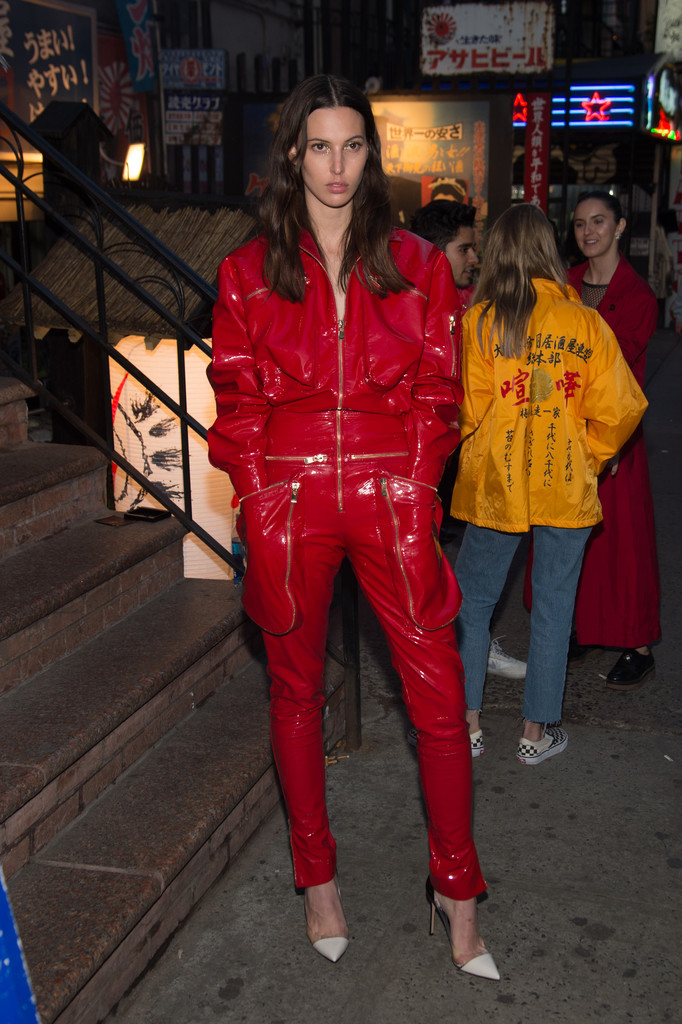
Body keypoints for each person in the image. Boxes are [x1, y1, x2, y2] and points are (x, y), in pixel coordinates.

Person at [207, 74, 498, 979]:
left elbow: (441, 391)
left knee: (441, 704)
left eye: (354, 146)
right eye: (320, 146)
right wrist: (259, 496)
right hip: (289, 498)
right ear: (294, 153)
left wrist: (414, 485)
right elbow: (237, 400)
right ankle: (317, 879)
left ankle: (458, 890)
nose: (337, 166)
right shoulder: (247, 271)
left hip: (390, 494)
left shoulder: (417, 263)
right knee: (296, 695)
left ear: (372, 155)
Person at [451, 204, 647, 764]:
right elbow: (621, 407)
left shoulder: (481, 321)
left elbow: (465, 412)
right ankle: (536, 732)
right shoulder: (585, 321)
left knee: (474, 601)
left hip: (497, 482)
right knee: (556, 604)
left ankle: (468, 723)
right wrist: (592, 455)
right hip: (563, 480)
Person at [409, 199, 526, 693]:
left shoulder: (467, 300)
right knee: (425, 556)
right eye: (464, 248)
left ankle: (467, 640)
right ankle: (439, 651)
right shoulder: (407, 302)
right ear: (435, 252)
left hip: (464, 444)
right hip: (422, 449)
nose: (473, 258)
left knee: (465, 552)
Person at [567, 190, 661, 689]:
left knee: (622, 543)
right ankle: (582, 627)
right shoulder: (566, 284)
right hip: (566, 432)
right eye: (581, 223)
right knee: (574, 538)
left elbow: (622, 373)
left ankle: (638, 644)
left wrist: (611, 438)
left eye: (599, 222)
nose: (589, 232)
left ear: (620, 226)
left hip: (616, 435)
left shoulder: (638, 295)